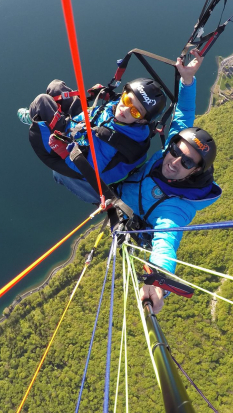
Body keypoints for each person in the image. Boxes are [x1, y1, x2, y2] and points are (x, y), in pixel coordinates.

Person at [114, 49, 222, 313]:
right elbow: (184, 113)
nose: (173, 161)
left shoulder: (176, 207)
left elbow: (167, 240)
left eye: (186, 162)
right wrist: (187, 80)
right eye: (175, 151)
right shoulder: (170, 151)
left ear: (195, 172)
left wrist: (158, 278)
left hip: (122, 212)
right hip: (117, 187)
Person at [18, 78, 167, 203]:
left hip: (77, 158)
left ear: (142, 121)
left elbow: (89, 170)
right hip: (86, 125)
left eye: (135, 111)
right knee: (56, 88)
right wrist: (106, 95)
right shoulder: (126, 118)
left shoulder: (114, 141)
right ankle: (50, 115)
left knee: (42, 103)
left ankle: (34, 116)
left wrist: (65, 152)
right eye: (127, 100)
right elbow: (120, 108)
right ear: (123, 94)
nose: (125, 110)